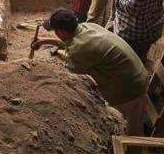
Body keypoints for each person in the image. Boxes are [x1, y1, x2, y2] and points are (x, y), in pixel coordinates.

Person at [31, 8, 149, 136]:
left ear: (61, 32)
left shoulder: (79, 49)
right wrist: (46, 40)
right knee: (135, 123)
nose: (55, 34)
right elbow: (72, 42)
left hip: (128, 90)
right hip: (138, 77)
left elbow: (72, 78)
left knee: (125, 132)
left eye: (55, 32)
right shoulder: (88, 26)